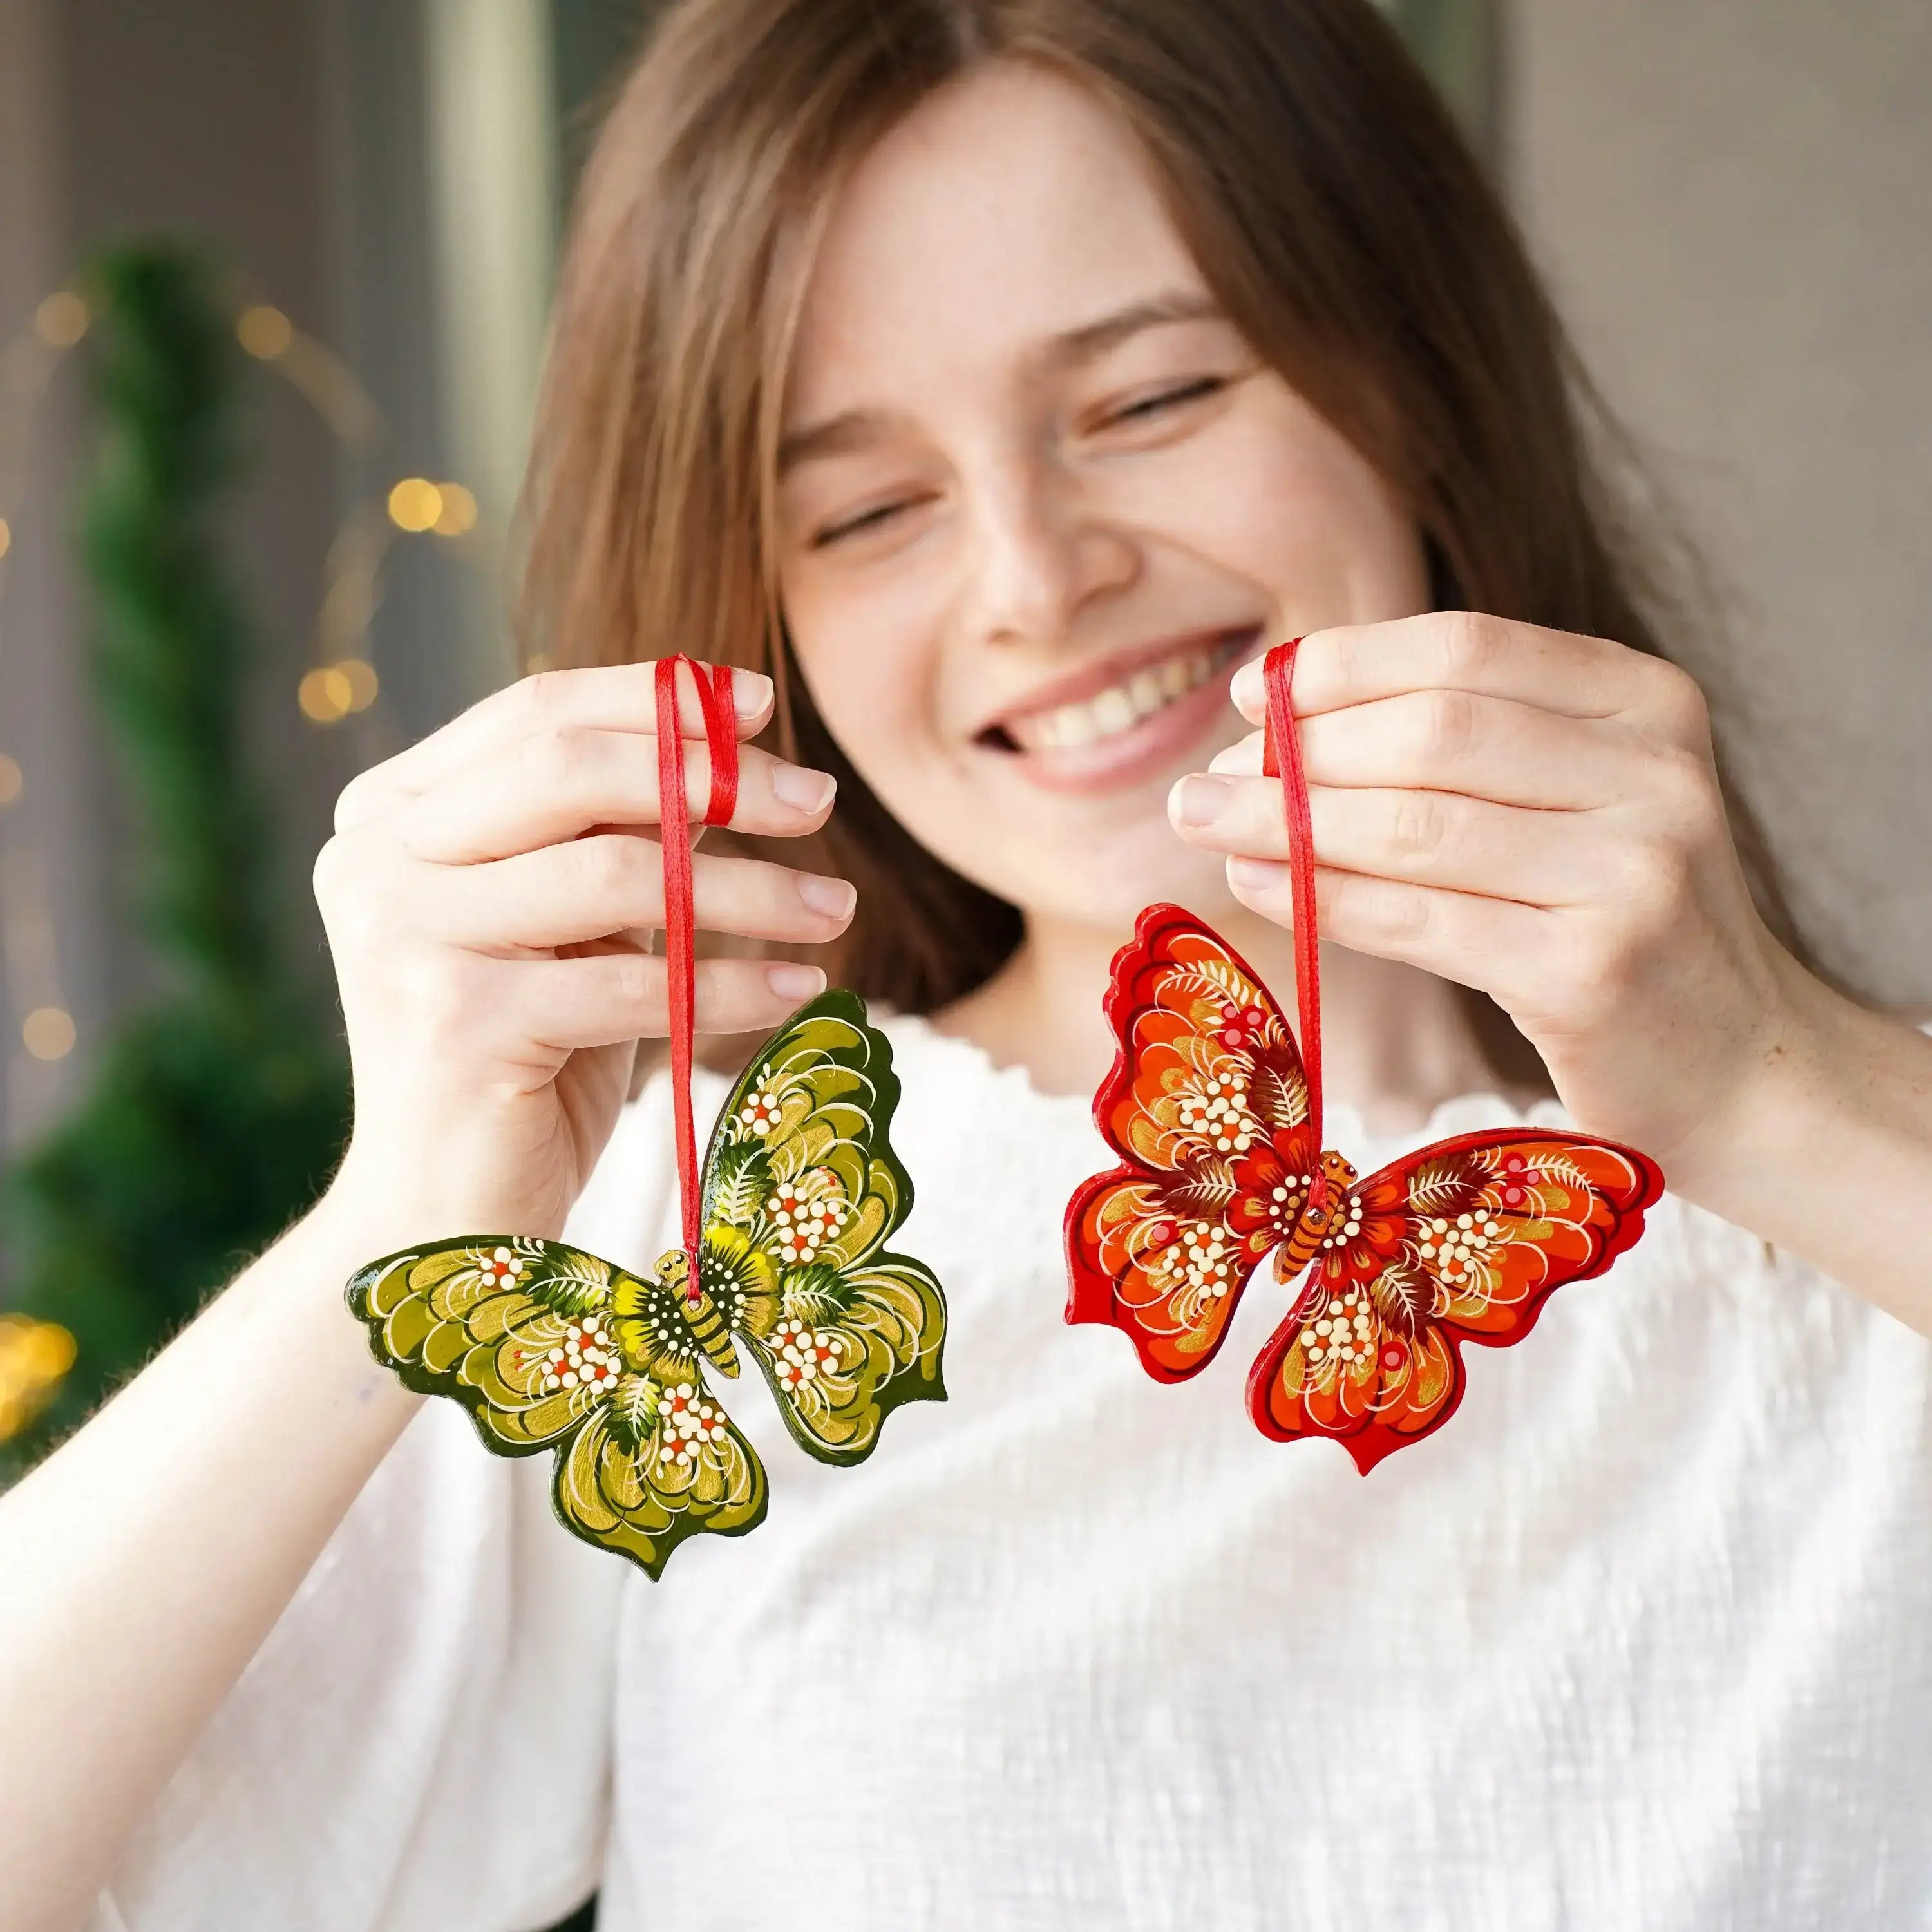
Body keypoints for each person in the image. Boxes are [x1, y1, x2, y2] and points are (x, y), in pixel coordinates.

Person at [5, 1, 1930, 1927]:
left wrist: (1779, 1096)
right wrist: (402, 1210)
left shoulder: (1861, 1180)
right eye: (866, 510)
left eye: (1152, 399)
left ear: (1418, 371)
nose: (1031, 577)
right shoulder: (712, 1232)